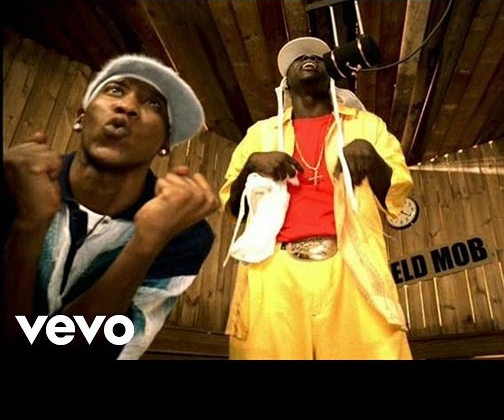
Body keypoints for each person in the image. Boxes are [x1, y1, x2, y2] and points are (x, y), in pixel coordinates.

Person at [2, 54, 219, 360]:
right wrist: (29, 223)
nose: (127, 106)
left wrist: (146, 243)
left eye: (153, 104)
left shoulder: (185, 233)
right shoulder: (15, 180)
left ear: (165, 143)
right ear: (81, 117)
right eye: (115, 90)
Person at [219, 37, 414, 359]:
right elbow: (233, 208)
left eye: (316, 56)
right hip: (273, 271)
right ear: (286, 83)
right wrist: (250, 166)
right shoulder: (260, 134)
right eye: (298, 58)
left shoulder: (367, 126)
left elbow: (396, 196)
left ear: (332, 74)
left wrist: (371, 157)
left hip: (352, 266)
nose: (307, 58)